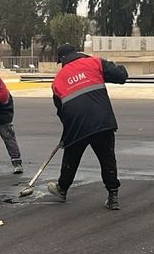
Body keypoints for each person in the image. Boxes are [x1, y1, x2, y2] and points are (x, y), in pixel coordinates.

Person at [46, 43, 129, 210]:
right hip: (102, 121)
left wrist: (67, 135)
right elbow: (121, 76)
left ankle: (62, 189)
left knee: (71, 157)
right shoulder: (95, 63)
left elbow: (62, 112)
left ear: (61, 59)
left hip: (77, 125)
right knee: (107, 159)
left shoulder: (58, 80)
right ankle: (113, 196)